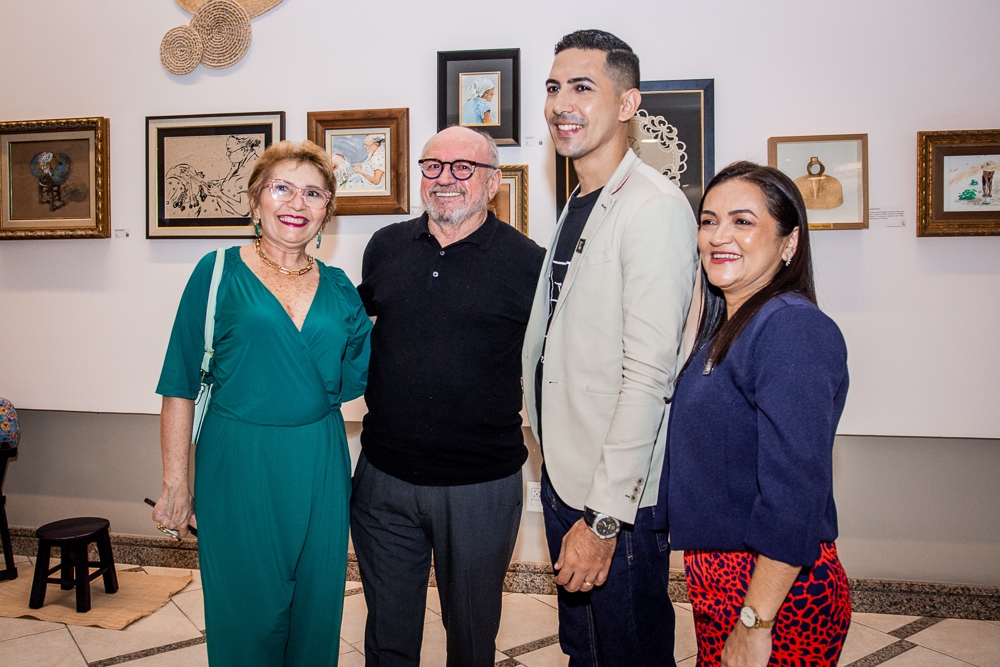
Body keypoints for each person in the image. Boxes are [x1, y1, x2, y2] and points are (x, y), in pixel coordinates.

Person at [154, 140, 371, 667]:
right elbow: (180, 382)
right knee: (246, 614)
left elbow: (361, 376)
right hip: (238, 460)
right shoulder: (216, 272)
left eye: (314, 193)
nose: (297, 203)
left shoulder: (341, 288)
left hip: (319, 461)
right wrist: (176, 483)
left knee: (316, 609)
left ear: (326, 212)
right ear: (255, 202)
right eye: (282, 188)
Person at [521, 29, 698, 665]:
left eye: (583, 87)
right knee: (585, 651)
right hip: (564, 472)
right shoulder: (579, 199)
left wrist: (602, 521)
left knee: (629, 653)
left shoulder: (653, 206)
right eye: (553, 87)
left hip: (612, 496)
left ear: (628, 105)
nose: (560, 102)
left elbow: (651, 375)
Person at [353, 126, 545, 667]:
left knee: (471, 640)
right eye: (432, 166)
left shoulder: (527, 262)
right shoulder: (385, 247)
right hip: (384, 480)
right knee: (387, 637)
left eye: (464, 168)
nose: (444, 179)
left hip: (480, 485)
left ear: (493, 184)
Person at [656, 161, 851, 666]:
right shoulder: (734, 325)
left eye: (743, 221)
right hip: (724, 582)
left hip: (775, 594)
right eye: (708, 220)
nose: (720, 235)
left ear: (789, 243)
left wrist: (755, 621)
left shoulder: (792, 329)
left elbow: (795, 492)